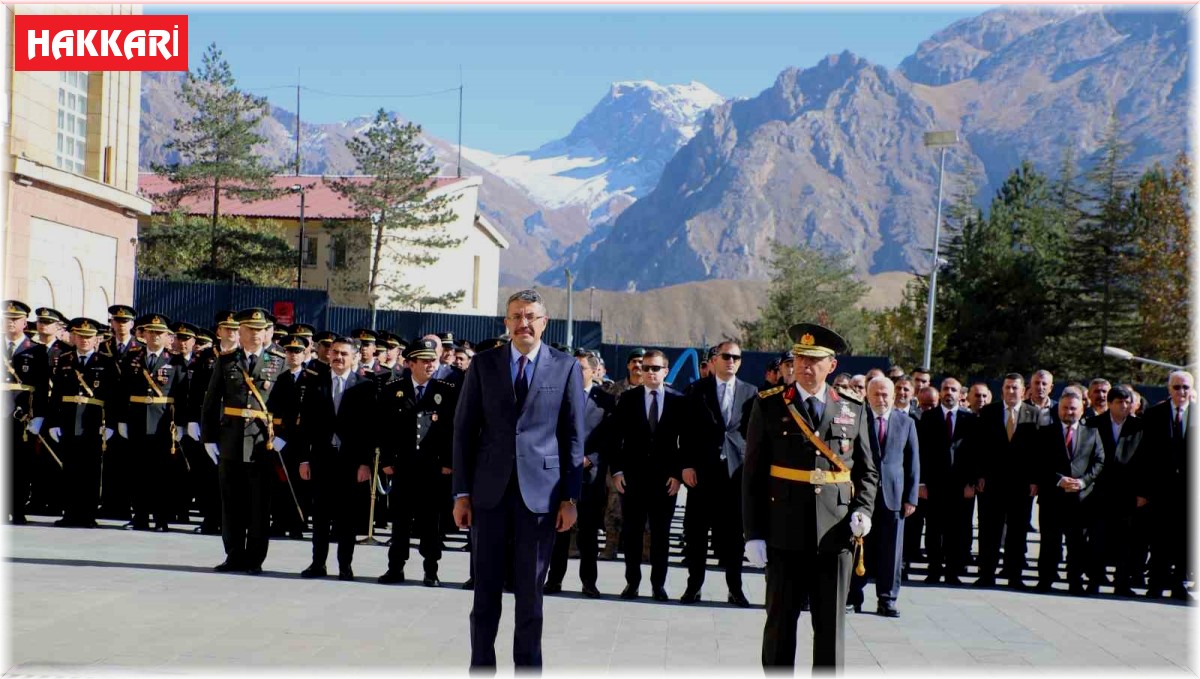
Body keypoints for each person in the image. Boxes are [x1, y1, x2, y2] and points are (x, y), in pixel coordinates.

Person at [452, 289, 584, 670]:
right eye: (516, 316)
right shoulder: (484, 365)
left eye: (531, 316)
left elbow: (573, 436)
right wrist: (461, 493)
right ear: (506, 322)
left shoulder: (565, 367)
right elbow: (464, 430)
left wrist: (570, 499)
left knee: (530, 598)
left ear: (544, 322)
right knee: (485, 597)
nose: (523, 323)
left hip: (541, 499)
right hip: (489, 495)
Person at [743, 323, 877, 670]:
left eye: (814, 360)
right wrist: (753, 533)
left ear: (831, 365)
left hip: (835, 535)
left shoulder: (853, 407)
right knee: (779, 625)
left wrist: (863, 509)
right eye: (800, 358)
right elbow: (753, 475)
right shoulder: (769, 405)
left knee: (831, 627)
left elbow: (867, 470)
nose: (805, 366)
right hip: (783, 532)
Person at [201, 308, 289, 575]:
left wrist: (283, 437)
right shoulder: (227, 361)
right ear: (239, 331)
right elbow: (211, 400)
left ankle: (254, 559)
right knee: (231, 502)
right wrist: (208, 437)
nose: (254, 334)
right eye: (249, 329)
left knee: (258, 505)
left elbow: (288, 403)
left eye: (259, 330)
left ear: (266, 333)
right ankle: (234, 555)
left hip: (263, 442)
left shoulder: (278, 362)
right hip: (230, 439)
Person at [680, 340, 757, 606]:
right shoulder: (696, 390)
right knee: (696, 534)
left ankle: (735, 588)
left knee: (735, 537)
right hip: (702, 474)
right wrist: (686, 465)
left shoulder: (750, 392)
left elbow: (753, 434)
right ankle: (694, 586)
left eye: (736, 357)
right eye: (726, 356)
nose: (731, 361)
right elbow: (686, 432)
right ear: (714, 360)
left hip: (735, 475)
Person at [377, 338, 457, 586]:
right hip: (403, 466)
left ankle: (430, 570)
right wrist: (387, 460)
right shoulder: (393, 390)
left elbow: (452, 431)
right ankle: (395, 567)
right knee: (400, 520)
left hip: (433, 467)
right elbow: (384, 429)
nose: (431, 365)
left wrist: (448, 461)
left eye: (433, 360)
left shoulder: (446, 391)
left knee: (430, 521)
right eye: (424, 361)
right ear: (410, 363)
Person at [296, 336, 375, 581]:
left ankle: (345, 565)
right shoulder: (315, 384)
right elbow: (305, 425)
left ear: (354, 357)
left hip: (350, 462)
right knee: (319, 515)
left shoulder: (365, 386)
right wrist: (303, 459)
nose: (339, 357)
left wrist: (365, 463)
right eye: (335, 353)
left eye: (344, 354)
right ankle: (318, 563)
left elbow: (369, 429)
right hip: (322, 459)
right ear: (329, 355)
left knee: (347, 518)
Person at [610, 349, 683, 601]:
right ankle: (632, 582)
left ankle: (658, 584)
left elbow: (684, 441)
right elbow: (615, 438)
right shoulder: (628, 399)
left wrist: (677, 474)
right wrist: (617, 471)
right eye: (646, 368)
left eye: (655, 368)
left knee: (661, 534)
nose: (650, 372)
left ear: (665, 371)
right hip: (633, 479)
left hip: (665, 481)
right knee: (632, 532)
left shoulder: (678, 400)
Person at [545, 350, 615, 598]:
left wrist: (592, 458)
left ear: (594, 372)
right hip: (559, 474)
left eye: (582, 368)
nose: (575, 373)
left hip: (588, 474)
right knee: (559, 530)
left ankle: (589, 581)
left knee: (587, 533)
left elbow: (609, 438)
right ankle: (554, 579)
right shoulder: (557, 396)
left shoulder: (605, 401)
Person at [848, 376, 918, 618]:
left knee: (892, 552)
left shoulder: (906, 422)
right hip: (862, 495)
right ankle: (853, 596)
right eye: (876, 394)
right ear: (867, 395)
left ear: (894, 395)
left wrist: (911, 497)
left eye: (885, 394)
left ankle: (887, 599)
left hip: (894, 497)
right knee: (858, 547)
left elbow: (912, 462)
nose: (881, 399)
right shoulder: (858, 418)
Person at [118, 313, 187, 532]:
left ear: (167, 336)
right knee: (137, 471)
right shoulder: (132, 357)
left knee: (162, 473)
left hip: (163, 423)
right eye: (151, 332)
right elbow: (122, 392)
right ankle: (139, 517)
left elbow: (183, 395)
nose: (155, 336)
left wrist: (182, 424)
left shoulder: (175, 361)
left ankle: (161, 519)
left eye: (159, 333)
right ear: (143, 334)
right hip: (137, 420)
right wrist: (121, 420)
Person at [47, 318, 118, 528]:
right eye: (80, 336)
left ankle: (87, 514)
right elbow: (56, 394)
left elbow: (113, 397)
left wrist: (111, 424)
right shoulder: (65, 360)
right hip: (68, 420)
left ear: (96, 339)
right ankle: (69, 513)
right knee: (69, 468)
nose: (84, 340)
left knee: (91, 470)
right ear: (73, 337)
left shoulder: (105, 362)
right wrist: (53, 421)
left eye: (89, 337)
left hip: (93, 422)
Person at [973, 373, 1041, 589]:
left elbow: (1038, 451)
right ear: (1002, 390)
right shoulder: (989, 412)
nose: (1011, 392)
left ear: (1024, 391)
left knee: (1018, 531)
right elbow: (979, 446)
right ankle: (986, 574)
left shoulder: (1034, 413)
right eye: (1008, 388)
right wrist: (979, 475)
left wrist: (1034, 480)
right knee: (989, 530)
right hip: (992, 482)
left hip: (1021, 485)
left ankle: (1014, 575)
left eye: (1015, 388)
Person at [1035, 389, 1105, 595]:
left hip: (1080, 500)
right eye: (1065, 408)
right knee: (1049, 542)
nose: (1069, 412)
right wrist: (1058, 480)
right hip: (1052, 498)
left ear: (1082, 409)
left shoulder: (1092, 432)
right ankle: (1045, 581)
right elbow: (1039, 463)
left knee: (1077, 545)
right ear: (1059, 409)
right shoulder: (1046, 433)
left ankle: (1075, 582)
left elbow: (1099, 461)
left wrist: (1083, 482)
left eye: (1073, 408)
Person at [1135, 370, 1193, 600]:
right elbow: (1143, 455)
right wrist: (1142, 490)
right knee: (1159, 540)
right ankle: (1156, 584)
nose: (1182, 392)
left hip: (1188, 492)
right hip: (1159, 490)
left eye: (1186, 387)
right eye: (1177, 387)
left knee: (1184, 541)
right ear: (1169, 389)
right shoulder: (1153, 415)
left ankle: (1179, 584)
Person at [917, 377, 977, 585]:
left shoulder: (970, 419)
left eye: (954, 389)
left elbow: (975, 454)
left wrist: (971, 482)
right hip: (934, 484)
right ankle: (934, 570)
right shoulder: (928, 418)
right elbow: (921, 453)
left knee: (956, 530)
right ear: (940, 392)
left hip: (960, 486)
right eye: (945, 389)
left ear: (961, 394)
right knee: (933, 529)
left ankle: (952, 571)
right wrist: (921, 483)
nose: (949, 392)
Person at [1086, 386, 1144, 596]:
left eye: (1128, 402)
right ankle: (1094, 582)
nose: (1124, 405)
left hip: (1127, 494)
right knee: (1097, 539)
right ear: (1110, 403)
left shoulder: (1140, 427)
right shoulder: (1094, 424)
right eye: (1119, 401)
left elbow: (1147, 462)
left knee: (1125, 542)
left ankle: (1122, 584)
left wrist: (1142, 492)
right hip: (1099, 493)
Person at [4, 301, 50, 525]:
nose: (10, 322)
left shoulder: (37, 350)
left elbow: (42, 386)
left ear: (24, 322)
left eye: (15, 319)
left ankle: (18, 508)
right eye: (7, 318)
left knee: (20, 464)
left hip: (22, 415)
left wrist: (39, 415)